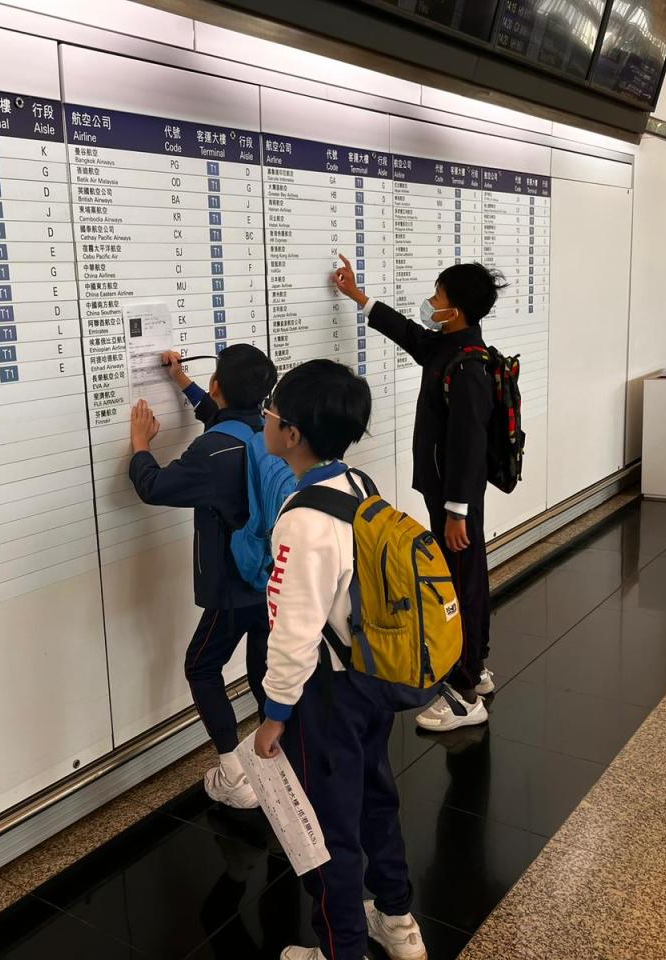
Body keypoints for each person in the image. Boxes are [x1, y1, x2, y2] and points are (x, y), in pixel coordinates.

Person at [254, 358, 425, 960]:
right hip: (371, 673)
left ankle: (341, 949)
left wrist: (276, 712)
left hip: (327, 696)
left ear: (291, 434)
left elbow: (293, 631)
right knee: (376, 797)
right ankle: (398, 920)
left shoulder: (302, 520)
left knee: (327, 828)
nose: (264, 418)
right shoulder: (358, 484)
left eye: (270, 411)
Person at [332, 254, 503, 732]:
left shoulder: (468, 367)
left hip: (455, 499)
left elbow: (469, 445)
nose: (430, 302)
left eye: (438, 296)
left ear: (456, 310)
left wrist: (456, 512)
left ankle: (463, 694)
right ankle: (476, 668)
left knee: (459, 586)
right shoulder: (450, 347)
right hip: (449, 495)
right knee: (467, 579)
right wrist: (358, 297)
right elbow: (408, 333)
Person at [129, 343, 278, 808]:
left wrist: (140, 445)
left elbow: (154, 486)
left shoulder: (212, 450)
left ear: (217, 384)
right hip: (272, 576)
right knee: (262, 668)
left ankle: (234, 772)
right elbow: (221, 417)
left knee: (201, 665)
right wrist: (182, 382)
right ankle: (277, 756)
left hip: (232, 585)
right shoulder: (269, 430)